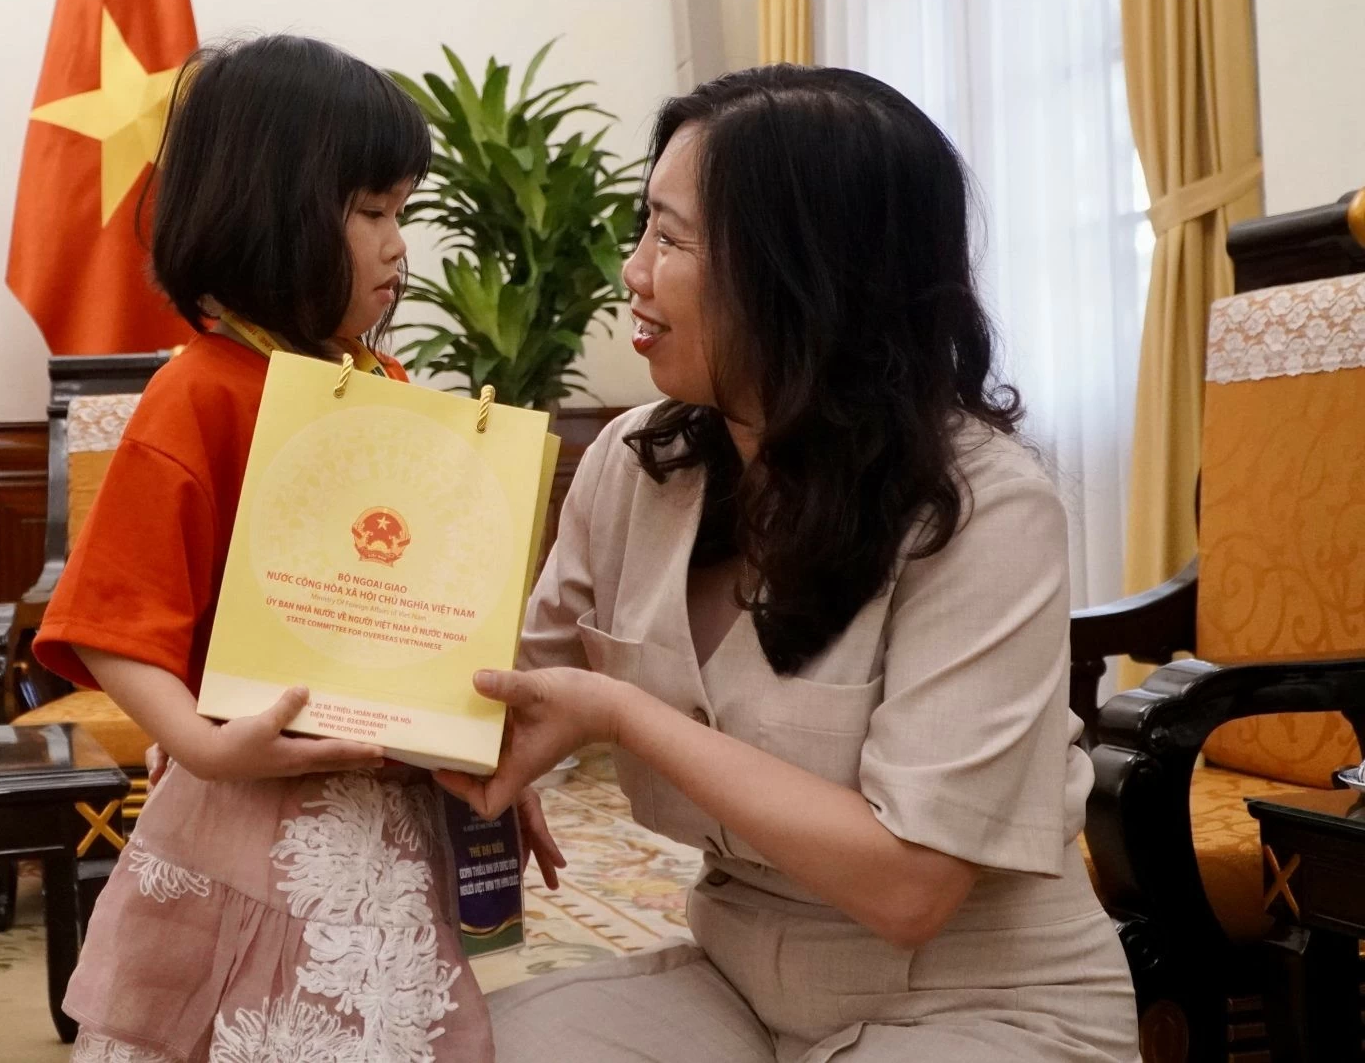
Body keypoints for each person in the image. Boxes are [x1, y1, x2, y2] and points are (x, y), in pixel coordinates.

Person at [440, 66, 1140, 1062]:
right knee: (467, 1047)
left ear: (799, 272)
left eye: (671, 239)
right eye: (644, 228)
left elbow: (908, 887)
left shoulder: (986, 508)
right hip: (734, 986)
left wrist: (619, 713)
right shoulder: (635, 465)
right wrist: (257, 718)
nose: (631, 272)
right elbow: (485, 698)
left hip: (974, 1007)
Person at [34, 34, 500, 1063]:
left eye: (402, 215)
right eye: (372, 213)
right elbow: (111, 623)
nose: (396, 248)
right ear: (272, 210)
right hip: (240, 807)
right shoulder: (198, 390)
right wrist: (202, 745)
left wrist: (491, 769)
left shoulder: (388, 391)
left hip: (384, 800)